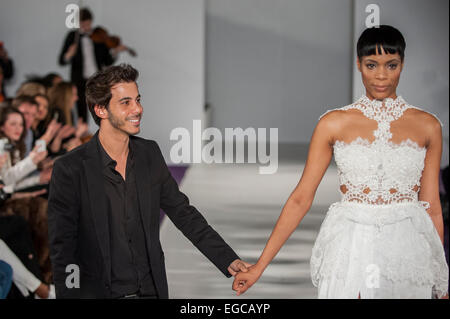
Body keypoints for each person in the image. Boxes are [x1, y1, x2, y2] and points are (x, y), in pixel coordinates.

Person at [233, 25, 449, 299]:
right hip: (351, 243)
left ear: (402, 65)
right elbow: (301, 197)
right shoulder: (333, 123)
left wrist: (441, 281)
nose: (381, 75)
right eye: (372, 65)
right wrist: (259, 266)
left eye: (391, 65)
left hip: (408, 249)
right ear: (358, 64)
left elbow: (431, 208)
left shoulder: (428, 126)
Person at [48, 64, 250, 299]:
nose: (138, 109)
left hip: (150, 292)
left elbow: (184, 213)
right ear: (101, 109)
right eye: (126, 103)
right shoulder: (71, 168)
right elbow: (63, 251)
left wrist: (227, 259)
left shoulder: (149, 154)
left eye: (138, 100)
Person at [58, 7, 125, 123]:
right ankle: (82, 133)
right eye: (82, 24)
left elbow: (107, 61)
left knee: (103, 107)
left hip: (97, 79)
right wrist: (69, 54)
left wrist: (115, 51)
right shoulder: (73, 37)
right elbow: (61, 60)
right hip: (79, 80)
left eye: (88, 24)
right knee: (81, 110)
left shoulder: (97, 36)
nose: (85, 27)